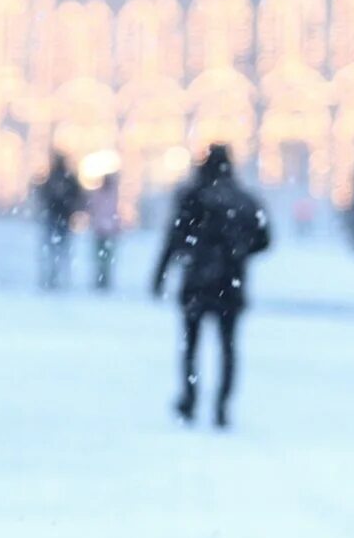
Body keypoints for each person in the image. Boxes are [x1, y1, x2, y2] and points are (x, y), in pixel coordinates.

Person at [151, 143, 271, 429]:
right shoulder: (245, 200)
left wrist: (163, 272)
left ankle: (190, 400)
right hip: (231, 282)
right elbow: (265, 240)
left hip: (197, 282)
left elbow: (174, 237)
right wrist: (238, 252)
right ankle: (222, 406)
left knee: (191, 345)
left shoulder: (193, 197)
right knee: (228, 347)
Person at [35, 152, 84, 289]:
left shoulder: (57, 178)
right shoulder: (57, 178)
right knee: (57, 251)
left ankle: (55, 278)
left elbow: (77, 196)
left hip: (59, 218)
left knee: (55, 251)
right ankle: (53, 278)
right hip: (58, 218)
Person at [86, 171, 122, 291]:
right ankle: (102, 278)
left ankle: (104, 279)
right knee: (102, 257)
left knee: (105, 257)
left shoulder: (110, 195)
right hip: (102, 231)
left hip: (106, 231)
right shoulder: (108, 195)